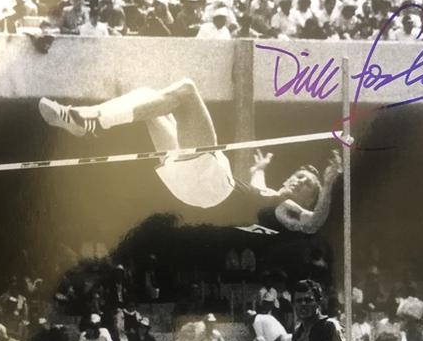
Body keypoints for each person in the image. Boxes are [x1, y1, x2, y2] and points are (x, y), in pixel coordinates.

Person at [38, 79, 339, 234]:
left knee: (186, 90)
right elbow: (258, 186)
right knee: (145, 95)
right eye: (300, 176)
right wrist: (260, 168)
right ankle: (88, 120)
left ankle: (89, 119)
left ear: (308, 199)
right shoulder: (269, 198)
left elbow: (312, 223)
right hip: (190, 188)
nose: (298, 180)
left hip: (210, 185)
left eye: (306, 185)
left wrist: (328, 183)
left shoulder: (286, 209)